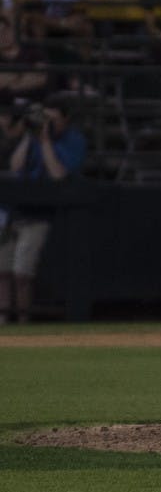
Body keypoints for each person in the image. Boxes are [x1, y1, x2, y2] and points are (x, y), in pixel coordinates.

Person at [0, 95, 86, 323]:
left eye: (52, 118)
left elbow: (58, 174)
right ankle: (3, 321)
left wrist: (46, 141)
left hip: (43, 214)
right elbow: (16, 166)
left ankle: (23, 322)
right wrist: (30, 135)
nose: (46, 123)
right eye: (44, 118)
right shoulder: (33, 139)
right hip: (16, 211)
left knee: (21, 274)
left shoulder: (73, 140)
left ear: (65, 118)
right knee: (3, 272)